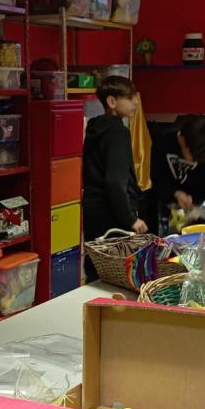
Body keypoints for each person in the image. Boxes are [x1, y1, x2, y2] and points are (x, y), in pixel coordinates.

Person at [82, 75, 147, 279]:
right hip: (113, 214)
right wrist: (131, 218)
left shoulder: (94, 128)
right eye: (129, 98)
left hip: (93, 211)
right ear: (112, 101)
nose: (135, 103)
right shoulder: (118, 132)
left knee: (96, 268)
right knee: (117, 273)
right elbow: (115, 181)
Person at [147, 113, 205, 234]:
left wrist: (196, 206)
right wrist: (176, 193)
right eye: (193, 156)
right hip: (170, 204)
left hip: (197, 207)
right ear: (184, 143)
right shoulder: (162, 142)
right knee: (174, 240)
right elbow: (157, 179)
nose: (195, 161)